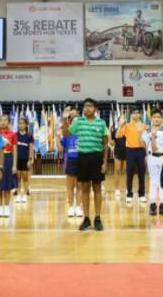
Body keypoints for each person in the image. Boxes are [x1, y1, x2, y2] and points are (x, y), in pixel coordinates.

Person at [63, 98, 109, 231]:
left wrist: (105, 162)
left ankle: (98, 218)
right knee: (84, 189)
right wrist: (65, 120)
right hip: (82, 157)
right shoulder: (79, 122)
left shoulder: (101, 123)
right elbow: (66, 134)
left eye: (90, 106)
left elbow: (105, 143)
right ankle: (87, 219)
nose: (87, 108)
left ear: (96, 109)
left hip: (96, 158)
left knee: (97, 188)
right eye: (85, 106)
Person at [117, 109, 147, 204]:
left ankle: (142, 194)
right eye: (134, 113)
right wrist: (120, 125)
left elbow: (146, 140)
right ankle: (129, 194)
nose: (136, 114)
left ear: (140, 114)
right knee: (129, 173)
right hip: (130, 150)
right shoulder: (127, 125)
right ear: (131, 115)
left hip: (141, 150)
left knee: (142, 173)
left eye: (137, 113)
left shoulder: (144, 126)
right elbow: (117, 136)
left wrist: (146, 153)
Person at [142, 109, 163, 217]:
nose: (156, 119)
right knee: (153, 181)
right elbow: (144, 143)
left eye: (158, 117)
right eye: (154, 117)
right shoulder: (148, 131)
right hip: (152, 157)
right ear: (151, 119)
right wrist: (146, 155)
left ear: (162, 119)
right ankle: (152, 205)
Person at [60, 107, 82, 218]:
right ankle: (70, 207)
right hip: (71, 161)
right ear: (71, 123)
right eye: (74, 121)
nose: (76, 123)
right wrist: (64, 119)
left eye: (78, 121)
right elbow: (63, 136)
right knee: (70, 186)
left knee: (80, 186)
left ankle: (78, 207)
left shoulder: (84, 134)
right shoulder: (68, 134)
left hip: (82, 160)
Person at [0, 114, 17, 218]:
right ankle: (0, 208)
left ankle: (7, 208)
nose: (3, 122)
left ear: (8, 122)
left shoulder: (13, 134)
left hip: (8, 158)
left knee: (7, 186)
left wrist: (14, 165)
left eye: (5, 120)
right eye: (1, 120)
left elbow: (15, 151)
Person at [14, 118, 34, 203]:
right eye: (19, 123)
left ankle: (25, 195)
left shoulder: (29, 136)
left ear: (26, 125)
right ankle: (18, 195)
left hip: (25, 159)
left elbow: (31, 148)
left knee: (25, 178)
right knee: (18, 178)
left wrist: (30, 159)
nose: (20, 125)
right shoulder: (15, 135)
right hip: (17, 159)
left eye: (22, 123)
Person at [110, 115, 127, 198]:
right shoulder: (115, 130)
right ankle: (117, 189)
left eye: (124, 118)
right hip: (118, 152)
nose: (123, 120)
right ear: (118, 121)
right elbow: (116, 137)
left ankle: (128, 188)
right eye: (121, 119)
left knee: (126, 171)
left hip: (127, 152)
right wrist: (120, 126)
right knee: (117, 170)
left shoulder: (128, 129)